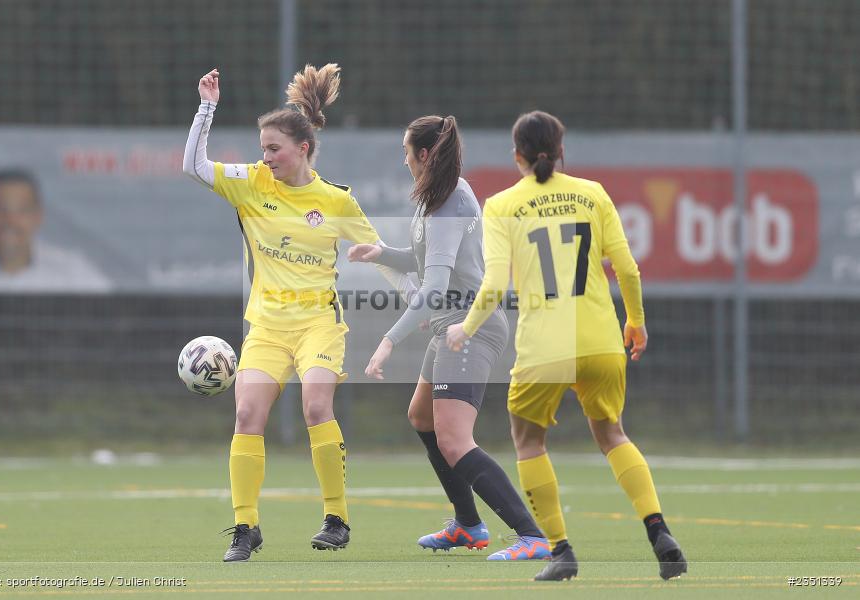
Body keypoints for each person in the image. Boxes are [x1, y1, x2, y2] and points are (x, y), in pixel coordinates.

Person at [446, 110, 687, 581]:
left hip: (544, 347)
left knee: (528, 441)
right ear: (561, 152)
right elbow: (628, 268)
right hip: (600, 338)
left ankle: (560, 550)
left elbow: (494, 284)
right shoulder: (593, 193)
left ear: (516, 155)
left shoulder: (502, 205)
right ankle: (658, 529)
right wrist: (636, 322)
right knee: (613, 434)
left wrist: (466, 328)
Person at [183, 65, 385, 561]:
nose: (266, 157)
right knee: (247, 414)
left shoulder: (336, 200)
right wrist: (206, 108)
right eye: (263, 148)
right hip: (268, 327)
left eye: (274, 148)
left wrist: (415, 295)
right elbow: (194, 166)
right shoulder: (253, 183)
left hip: (318, 323)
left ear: (303, 149)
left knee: (316, 406)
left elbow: (381, 255)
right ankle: (244, 528)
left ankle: (336, 518)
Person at [347, 115, 551, 561]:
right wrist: (382, 253)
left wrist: (388, 341)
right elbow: (427, 262)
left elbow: (436, 287)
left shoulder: (448, 201)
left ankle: (533, 536)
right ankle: (467, 525)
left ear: (423, 155)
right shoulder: (438, 195)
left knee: (455, 439)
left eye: (406, 152)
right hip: (449, 324)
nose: (404, 160)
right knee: (422, 417)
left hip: (469, 327)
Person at [0, 169, 112, 293]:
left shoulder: (73, 272)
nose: (10, 220)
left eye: (22, 210)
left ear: (38, 217)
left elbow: (111, 314)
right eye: (0, 209)